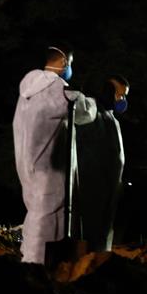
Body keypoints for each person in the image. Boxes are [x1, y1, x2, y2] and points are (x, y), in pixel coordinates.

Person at [13, 44, 97, 264]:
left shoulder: (28, 90)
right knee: (47, 217)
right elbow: (84, 111)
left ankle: (29, 259)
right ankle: (36, 264)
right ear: (63, 62)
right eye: (70, 63)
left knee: (35, 212)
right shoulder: (57, 89)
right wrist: (93, 102)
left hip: (29, 163)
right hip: (51, 167)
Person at [75, 74, 129, 252]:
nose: (123, 100)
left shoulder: (112, 118)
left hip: (110, 189)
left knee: (105, 232)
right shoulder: (91, 113)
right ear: (108, 92)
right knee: (90, 232)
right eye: (120, 94)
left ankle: (100, 259)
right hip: (92, 186)